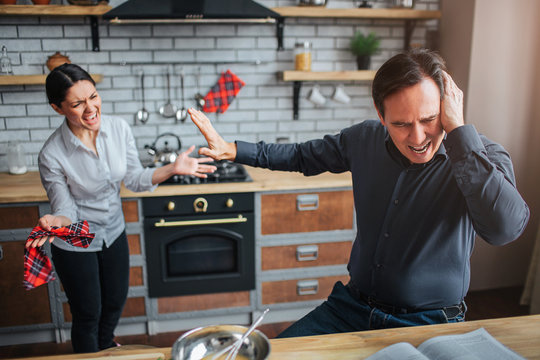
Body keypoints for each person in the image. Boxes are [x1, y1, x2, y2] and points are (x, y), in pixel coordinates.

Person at [187, 48, 530, 337]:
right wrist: (233, 149)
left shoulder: (482, 155)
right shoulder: (363, 138)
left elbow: (505, 229)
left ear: (448, 106)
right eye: (401, 124)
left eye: (430, 119)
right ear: (381, 115)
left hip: (429, 322)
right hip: (349, 307)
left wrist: (459, 134)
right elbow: (301, 155)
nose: (418, 137)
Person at [26, 63, 216, 353]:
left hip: (113, 231)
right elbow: (66, 208)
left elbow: (135, 179)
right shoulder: (52, 154)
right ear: (58, 108)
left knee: (114, 305)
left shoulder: (118, 128)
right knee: (88, 314)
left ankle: (106, 350)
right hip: (77, 243)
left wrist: (172, 168)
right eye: (77, 103)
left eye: (93, 96)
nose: (90, 108)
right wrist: (56, 220)